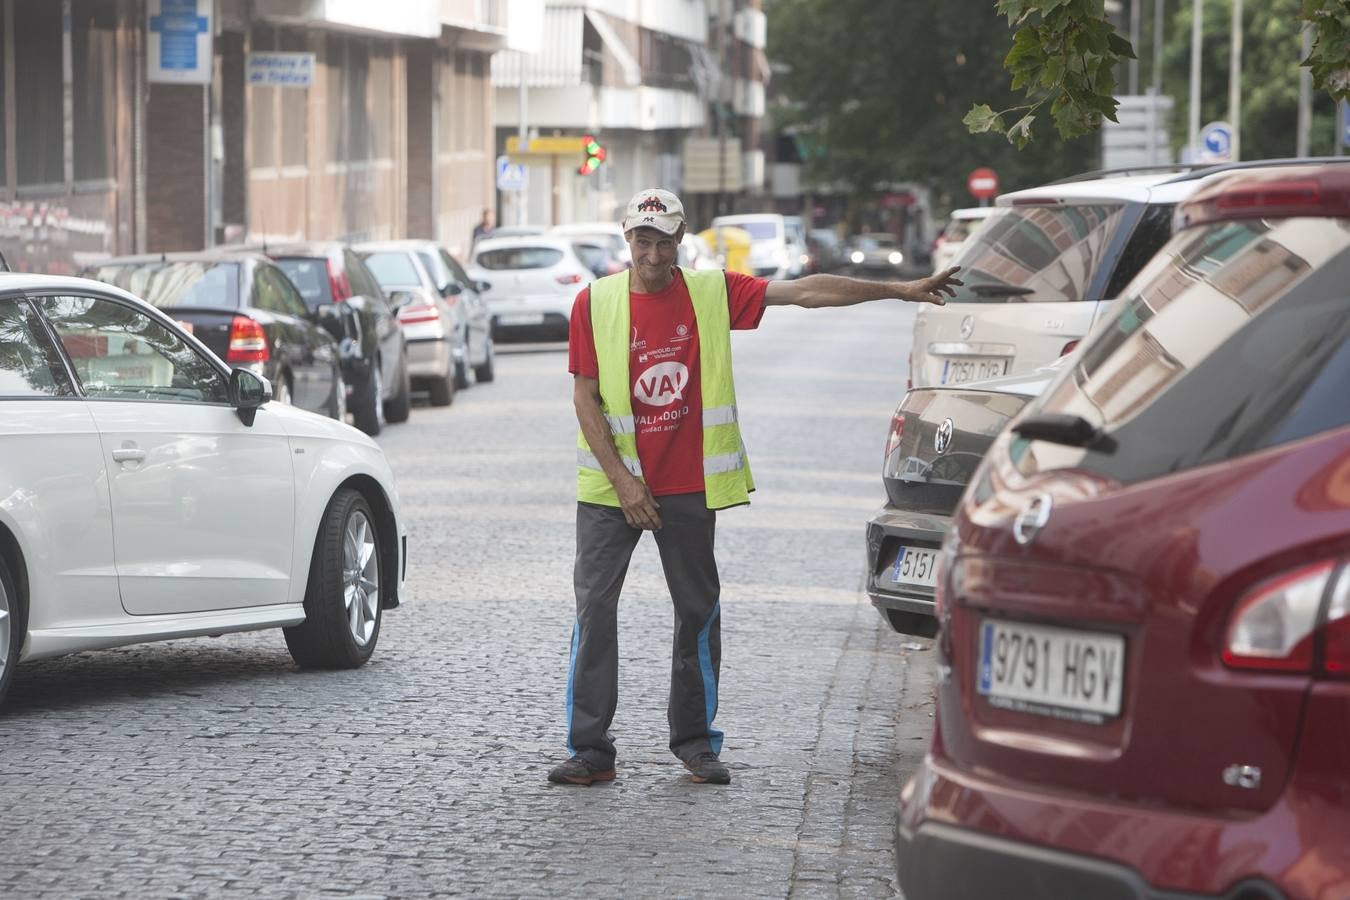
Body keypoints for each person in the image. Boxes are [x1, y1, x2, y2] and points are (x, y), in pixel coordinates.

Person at [549, 188, 961, 787]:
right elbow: (584, 397)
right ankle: (590, 749)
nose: (654, 253)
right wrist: (624, 481)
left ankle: (695, 743)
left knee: (697, 611)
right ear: (627, 239)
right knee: (595, 609)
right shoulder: (595, 303)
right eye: (643, 240)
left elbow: (809, 292)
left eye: (664, 240)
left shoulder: (712, 292)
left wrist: (900, 289)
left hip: (689, 485)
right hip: (612, 489)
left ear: (681, 238)